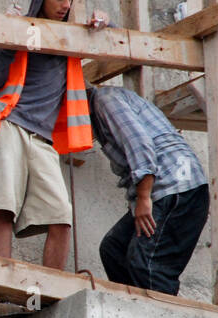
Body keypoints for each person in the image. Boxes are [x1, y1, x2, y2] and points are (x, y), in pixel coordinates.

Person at [0, 0, 101, 269]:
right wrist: (9, 37)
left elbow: (107, 36)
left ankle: (49, 297)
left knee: (61, 218)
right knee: (3, 210)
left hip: (43, 140)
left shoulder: (72, 36)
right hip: (8, 126)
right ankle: (1, 288)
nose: (65, 5)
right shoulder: (19, 28)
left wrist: (103, 22)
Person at [88, 82, 209, 295]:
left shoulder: (105, 100)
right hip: (169, 189)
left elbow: (140, 144)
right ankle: (134, 311)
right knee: (114, 248)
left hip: (178, 188)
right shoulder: (103, 107)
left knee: (148, 263)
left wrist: (143, 198)